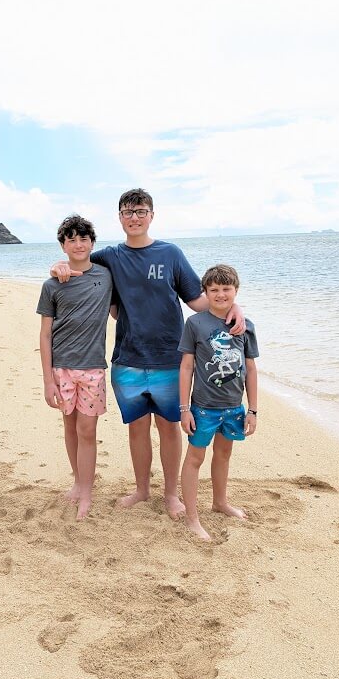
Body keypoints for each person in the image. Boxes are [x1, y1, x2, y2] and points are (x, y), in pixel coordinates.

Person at [50, 189, 244, 518]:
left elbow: (198, 300)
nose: (134, 217)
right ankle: (141, 490)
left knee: (168, 427)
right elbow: (78, 262)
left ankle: (170, 495)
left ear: (151, 215)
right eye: (128, 212)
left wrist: (231, 307)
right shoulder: (110, 256)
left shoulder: (171, 254)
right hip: (127, 358)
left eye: (141, 211)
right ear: (120, 218)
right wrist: (57, 266)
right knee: (137, 428)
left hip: (169, 357)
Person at [37, 215, 113, 519]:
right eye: (71, 239)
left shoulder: (106, 276)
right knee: (69, 425)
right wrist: (47, 380)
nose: (78, 244)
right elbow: (44, 334)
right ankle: (78, 484)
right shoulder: (52, 284)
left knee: (87, 429)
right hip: (62, 368)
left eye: (83, 239)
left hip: (93, 367)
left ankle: (87, 493)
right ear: (63, 245)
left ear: (92, 243)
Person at [178, 263, 258, 541]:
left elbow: (250, 369)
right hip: (202, 408)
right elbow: (186, 367)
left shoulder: (245, 326)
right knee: (195, 458)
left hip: (234, 407)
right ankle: (191, 516)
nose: (221, 295)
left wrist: (253, 410)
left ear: (236, 291)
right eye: (214, 290)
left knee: (224, 455)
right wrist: (184, 409)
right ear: (205, 292)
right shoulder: (195, 324)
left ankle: (220, 502)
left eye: (227, 289)